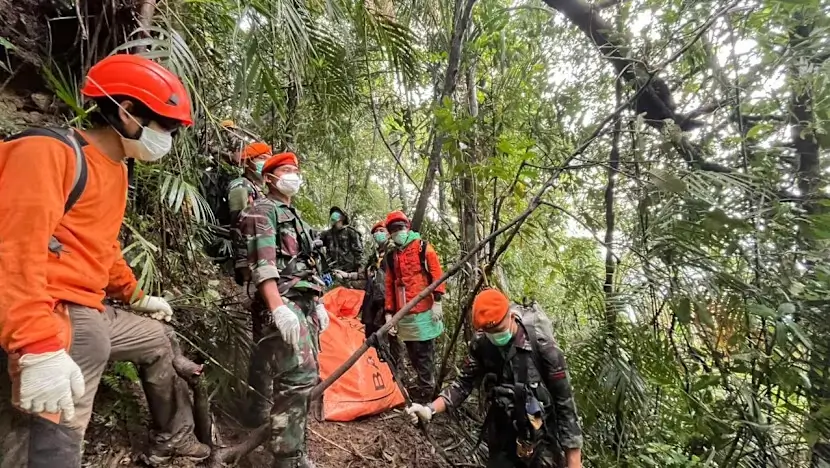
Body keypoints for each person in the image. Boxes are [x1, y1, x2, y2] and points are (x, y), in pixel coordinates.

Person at [0, 54, 210, 467]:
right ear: (127, 112)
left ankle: (175, 437)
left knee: (157, 339)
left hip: (89, 303)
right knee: (54, 423)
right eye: (166, 127)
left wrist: (135, 293)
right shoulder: (46, 151)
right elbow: (13, 250)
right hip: (49, 308)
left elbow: (102, 245)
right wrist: (35, 343)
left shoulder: (115, 168)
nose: (168, 139)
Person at [405, 289, 584, 468]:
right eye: (488, 331)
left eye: (498, 329)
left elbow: (565, 404)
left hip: (542, 438)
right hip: (502, 434)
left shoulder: (542, 345)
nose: (495, 336)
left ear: (512, 317)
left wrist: (573, 462)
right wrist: (429, 410)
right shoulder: (482, 343)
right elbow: (462, 385)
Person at [238, 151, 329, 467]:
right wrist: (278, 308)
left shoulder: (296, 218)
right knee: (297, 378)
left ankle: (294, 449)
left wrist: (317, 305)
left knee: (303, 376)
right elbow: (262, 265)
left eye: (295, 170)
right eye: (285, 170)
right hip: (282, 302)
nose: (293, 176)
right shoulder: (262, 211)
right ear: (269, 177)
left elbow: (306, 267)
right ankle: (286, 458)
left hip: (302, 302)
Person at [383, 210, 445, 402]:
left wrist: (438, 301)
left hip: (425, 312)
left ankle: (427, 393)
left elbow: (437, 274)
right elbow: (390, 286)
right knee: (412, 353)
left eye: (399, 228)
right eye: (393, 230)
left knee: (425, 354)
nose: (397, 232)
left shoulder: (423, 248)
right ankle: (423, 389)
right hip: (404, 314)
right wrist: (389, 313)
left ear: (407, 227)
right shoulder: (392, 257)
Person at [357, 221, 403, 367]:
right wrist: (346, 275)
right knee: (372, 332)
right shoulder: (373, 256)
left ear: (388, 233)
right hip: (373, 299)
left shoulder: (395, 250)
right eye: (375, 232)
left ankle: (397, 369)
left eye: (381, 230)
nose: (378, 234)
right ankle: (377, 365)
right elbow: (363, 274)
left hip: (390, 298)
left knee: (393, 335)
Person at [227, 141, 271, 286]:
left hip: (261, 255)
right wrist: (243, 260)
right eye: (262, 158)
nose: (266, 162)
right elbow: (238, 224)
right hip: (248, 259)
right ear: (248, 162)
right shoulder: (241, 185)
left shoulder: (260, 191)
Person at [323, 206, 363, 279]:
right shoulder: (327, 234)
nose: (334, 215)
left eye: (337, 213)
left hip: (348, 272)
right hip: (331, 271)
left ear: (343, 217)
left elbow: (358, 253)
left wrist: (359, 271)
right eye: (333, 213)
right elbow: (316, 239)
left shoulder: (351, 232)